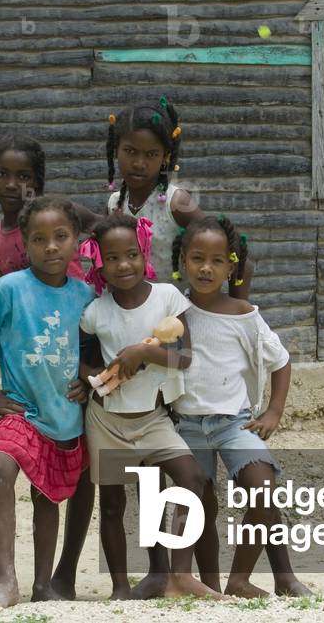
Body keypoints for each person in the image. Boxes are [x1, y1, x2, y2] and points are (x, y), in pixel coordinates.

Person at [0, 134, 97, 600]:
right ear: (23, 243)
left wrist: (89, 378)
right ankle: (6, 580)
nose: (51, 247)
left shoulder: (85, 295)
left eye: (60, 237)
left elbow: (91, 347)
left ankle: (44, 584)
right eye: (39, 239)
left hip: (64, 413)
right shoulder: (9, 288)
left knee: (48, 496)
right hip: (19, 410)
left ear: (76, 242)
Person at [170, 215, 310, 598]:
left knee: (263, 491)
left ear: (231, 266)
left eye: (217, 261)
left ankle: (240, 579)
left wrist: (274, 412)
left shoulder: (245, 316)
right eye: (197, 258)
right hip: (187, 425)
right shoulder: (173, 311)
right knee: (199, 504)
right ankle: (208, 583)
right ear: (183, 261)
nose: (205, 268)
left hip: (235, 424)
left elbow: (280, 361)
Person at [78, 212, 216, 600]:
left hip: (154, 419)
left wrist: (142, 352)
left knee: (192, 480)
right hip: (107, 421)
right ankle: (122, 587)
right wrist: (103, 374)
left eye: (132, 254)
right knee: (112, 505)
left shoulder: (168, 298)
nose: (124, 265)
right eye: (113, 257)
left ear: (144, 253)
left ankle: (178, 573)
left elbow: (184, 358)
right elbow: (83, 363)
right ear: (98, 262)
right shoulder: (95, 313)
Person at [104, 97, 253, 298]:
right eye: (130, 151)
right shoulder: (115, 204)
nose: (139, 163)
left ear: (165, 156)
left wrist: (238, 312)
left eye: (151, 154)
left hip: (174, 318)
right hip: (129, 313)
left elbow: (238, 256)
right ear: (115, 149)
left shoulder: (175, 203)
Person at [0, 133, 96, 278]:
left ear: (36, 181)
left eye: (23, 177)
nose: (11, 185)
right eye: (1, 174)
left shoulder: (62, 214)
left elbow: (109, 229)